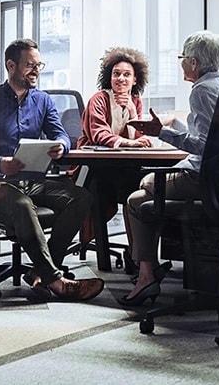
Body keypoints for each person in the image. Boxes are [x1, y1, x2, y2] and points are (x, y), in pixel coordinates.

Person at [0, 38, 104, 301]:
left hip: (31, 182)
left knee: (81, 198)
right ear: (11, 65)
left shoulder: (43, 101)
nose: (36, 70)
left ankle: (40, 271)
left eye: (39, 65)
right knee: (22, 204)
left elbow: (61, 135)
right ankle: (57, 282)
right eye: (30, 65)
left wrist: (61, 146)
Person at [120, 30, 219, 306]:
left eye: (183, 58)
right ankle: (147, 273)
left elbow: (203, 147)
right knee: (140, 200)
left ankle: (145, 275)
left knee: (145, 187)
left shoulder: (200, 91)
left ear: (194, 63)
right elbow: (211, 139)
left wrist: (162, 133)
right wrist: (171, 128)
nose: (182, 63)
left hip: (202, 179)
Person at [76, 47, 152, 271]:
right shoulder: (99, 99)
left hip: (122, 166)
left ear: (135, 78)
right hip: (94, 167)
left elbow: (140, 137)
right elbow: (99, 134)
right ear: (109, 76)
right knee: (119, 187)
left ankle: (135, 252)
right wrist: (130, 142)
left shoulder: (135, 101)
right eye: (116, 73)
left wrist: (133, 114)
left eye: (126, 74)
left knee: (139, 189)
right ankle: (125, 256)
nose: (121, 78)